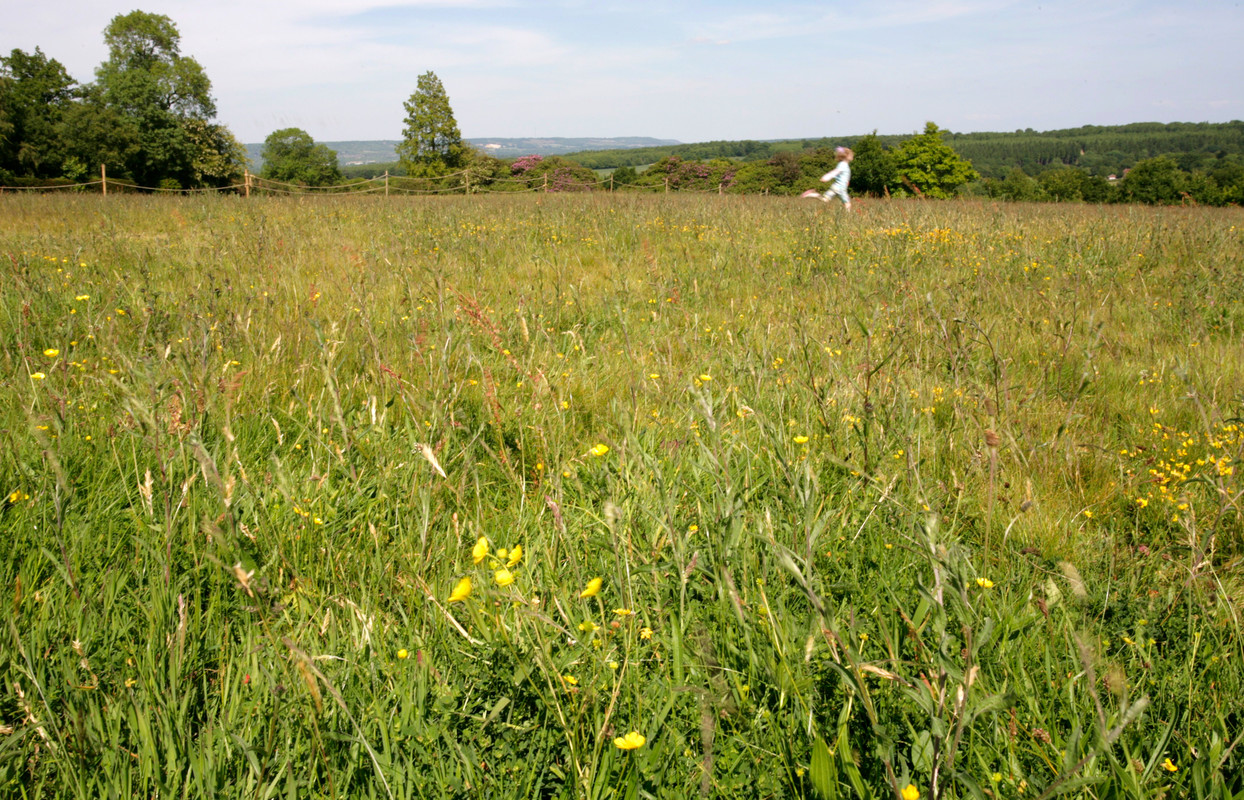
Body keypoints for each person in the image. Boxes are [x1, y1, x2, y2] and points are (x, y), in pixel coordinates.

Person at [803, 146, 853, 211]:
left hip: (835, 186)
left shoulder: (842, 164)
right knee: (847, 203)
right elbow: (835, 172)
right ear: (847, 156)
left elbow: (842, 175)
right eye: (851, 155)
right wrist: (826, 177)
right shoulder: (844, 165)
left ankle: (813, 194)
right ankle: (848, 216)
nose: (852, 156)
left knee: (825, 199)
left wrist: (847, 181)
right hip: (841, 188)